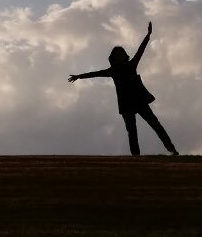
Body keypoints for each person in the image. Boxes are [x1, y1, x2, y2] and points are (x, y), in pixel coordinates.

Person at [68, 21, 178, 156]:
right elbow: (94, 74)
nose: (119, 56)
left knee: (156, 125)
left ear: (124, 56)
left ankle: (172, 149)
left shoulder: (131, 65)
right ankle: (136, 157)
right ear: (113, 58)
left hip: (139, 100)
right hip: (126, 104)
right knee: (132, 131)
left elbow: (141, 50)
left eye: (121, 54)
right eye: (117, 55)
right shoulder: (112, 70)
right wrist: (79, 76)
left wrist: (148, 35)